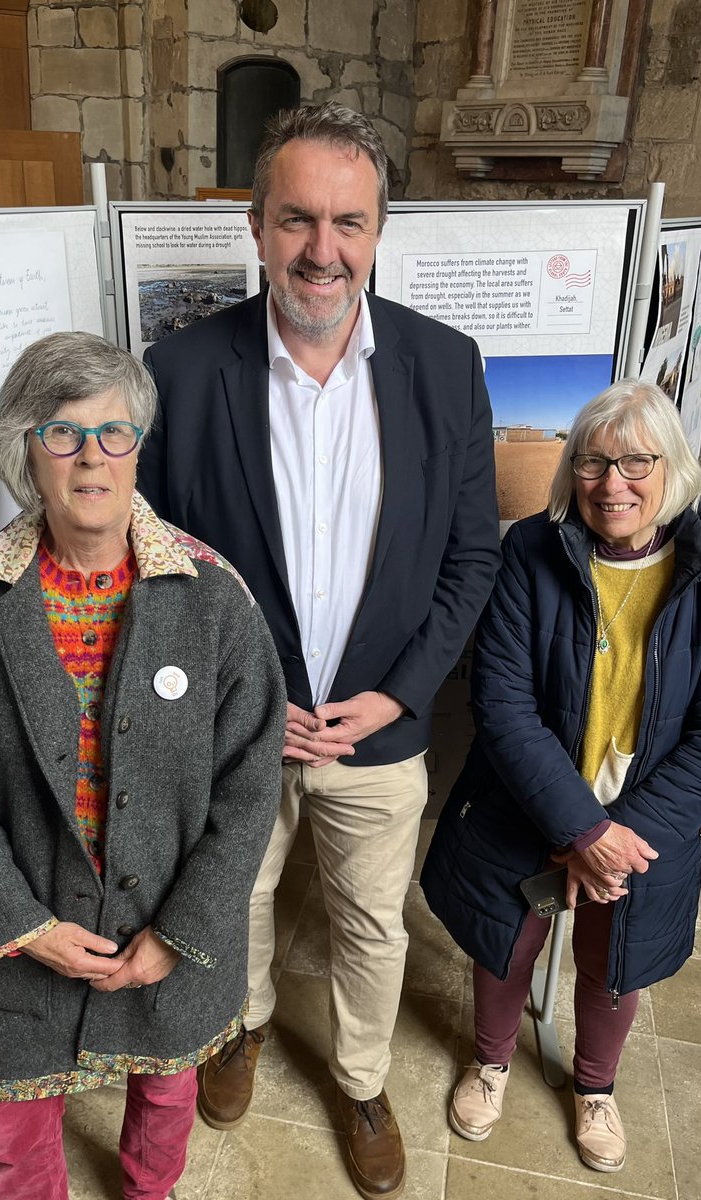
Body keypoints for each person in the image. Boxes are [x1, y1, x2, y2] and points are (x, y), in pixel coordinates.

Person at [139, 102, 500, 1199]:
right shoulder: (183, 369)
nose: (322, 249)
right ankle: (236, 1030)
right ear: (255, 228)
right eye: (296, 219)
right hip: (241, 728)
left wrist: (397, 696)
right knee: (234, 898)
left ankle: (358, 1081)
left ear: (379, 232)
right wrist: (233, 698)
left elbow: (471, 558)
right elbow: (157, 570)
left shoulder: (444, 367)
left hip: (378, 730)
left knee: (368, 921)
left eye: (348, 222)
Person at [0, 332, 286, 1200]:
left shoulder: (213, 597)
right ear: (24, 453)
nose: (91, 459)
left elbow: (252, 778)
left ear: (138, 448)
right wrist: (24, 925)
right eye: (62, 434)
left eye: (113, 433)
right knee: (8, 1126)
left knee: (165, 1092)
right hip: (26, 935)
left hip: (169, 928)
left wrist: (182, 930)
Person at [422, 380, 701, 1174]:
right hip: (531, 801)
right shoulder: (531, 550)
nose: (614, 485)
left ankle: (596, 1087)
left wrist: (616, 841)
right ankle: (492, 1061)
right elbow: (500, 703)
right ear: (571, 471)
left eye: (637, 462)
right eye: (594, 462)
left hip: (646, 825)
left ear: (672, 468)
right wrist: (581, 831)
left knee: (616, 960)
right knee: (507, 941)